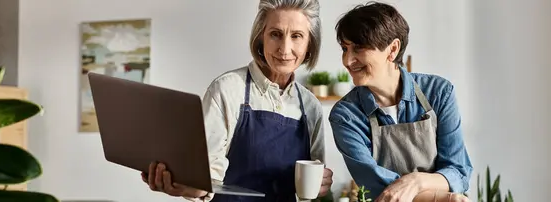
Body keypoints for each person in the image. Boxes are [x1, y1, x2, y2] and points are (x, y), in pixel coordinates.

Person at [139, 0, 333, 201]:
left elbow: (311, 185)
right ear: (261, 38)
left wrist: (320, 184)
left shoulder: (311, 107)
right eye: (275, 34)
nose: (285, 49)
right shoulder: (227, 89)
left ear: (310, 43)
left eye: (296, 36)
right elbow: (206, 178)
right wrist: (185, 187)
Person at [329, 2, 473, 202]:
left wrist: (415, 181)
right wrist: (446, 198)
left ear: (392, 49)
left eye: (358, 48)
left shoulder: (439, 92)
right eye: (345, 49)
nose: (347, 60)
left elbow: (459, 171)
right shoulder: (346, 115)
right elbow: (379, 186)